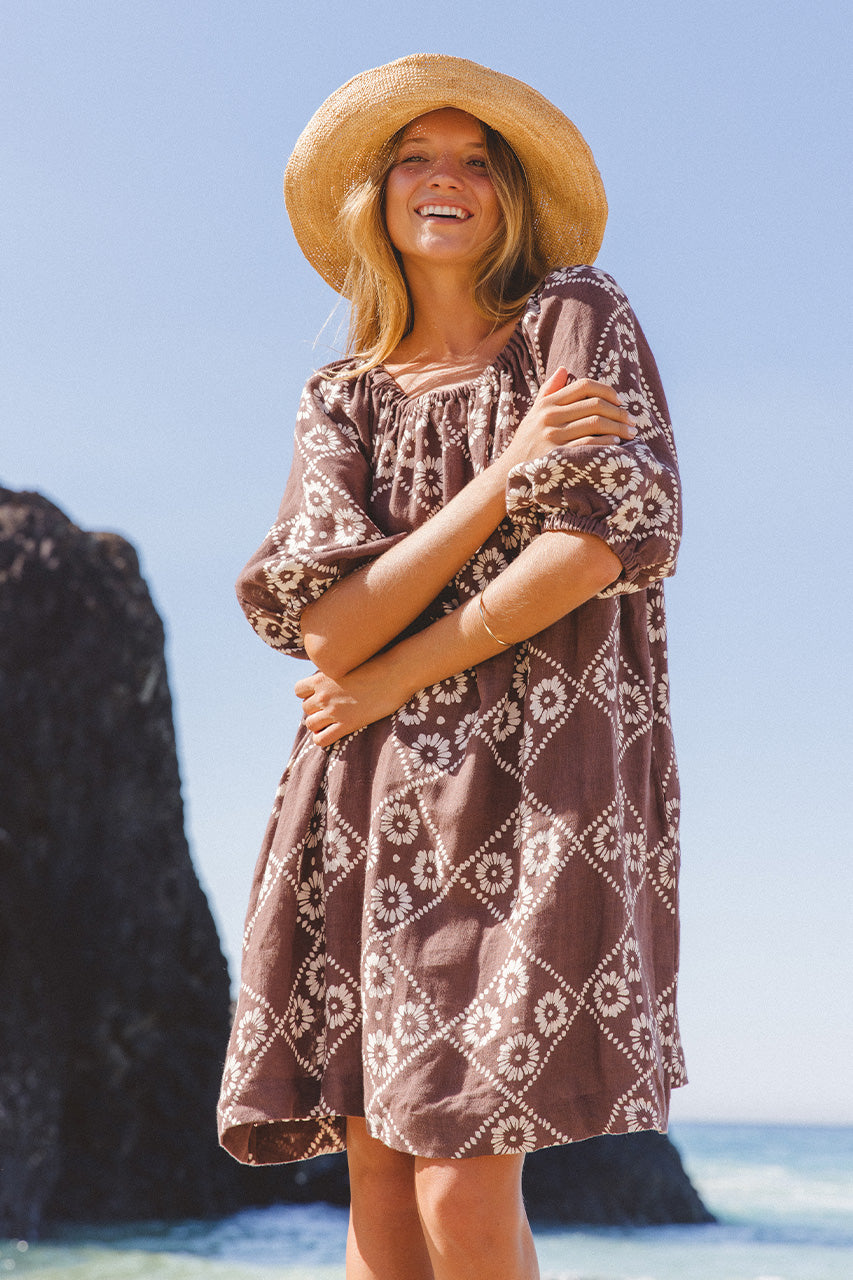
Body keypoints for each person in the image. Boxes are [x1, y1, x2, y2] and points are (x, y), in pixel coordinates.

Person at [218, 54, 686, 1280]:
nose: (448, 180)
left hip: (547, 790)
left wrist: (388, 674)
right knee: (378, 1176)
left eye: (477, 160)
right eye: (418, 157)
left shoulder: (578, 317)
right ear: (376, 194)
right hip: (369, 798)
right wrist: (506, 473)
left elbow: (596, 544)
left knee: (463, 1187)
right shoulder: (343, 397)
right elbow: (326, 630)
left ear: (511, 195)